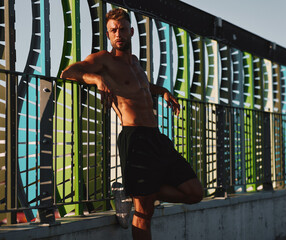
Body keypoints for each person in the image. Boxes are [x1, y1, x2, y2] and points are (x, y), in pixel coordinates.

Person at [60, 8, 203, 240]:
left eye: (123, 29)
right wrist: (96, 78)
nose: (119, 34)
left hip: (156, 137)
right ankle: (139, 193)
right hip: (135, 138)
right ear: (108, 35)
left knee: (195, 192)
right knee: (144, 213)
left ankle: (140, 191)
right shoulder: (104, 60)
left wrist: (163, 91)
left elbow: (141, 89)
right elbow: (68, 72)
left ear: (132, 31)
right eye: (113, 31)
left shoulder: (136, 63)